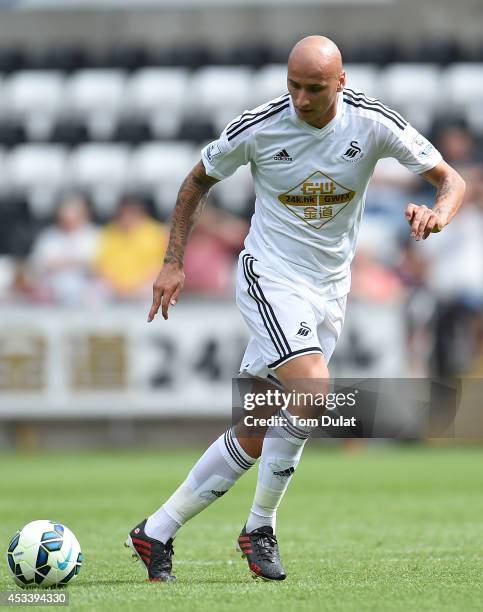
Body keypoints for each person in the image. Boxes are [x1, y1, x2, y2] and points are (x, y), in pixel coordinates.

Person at [125, 35, 465, 582]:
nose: (301, 99)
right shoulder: (259, 126)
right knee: (314, 392)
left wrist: (439, 214)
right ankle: (260, 527)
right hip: (270, 275)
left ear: (341, 82)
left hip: (329, 288)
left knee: (255, 430)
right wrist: (172, 261)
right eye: (293, 85)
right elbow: (196, 181)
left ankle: (155, 531)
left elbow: (451, 179)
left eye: (313, 88)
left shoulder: (372, 123)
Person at [29, 194, 99, 305]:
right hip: (53, 289)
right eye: (65, 216)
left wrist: (62, 263)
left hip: (85, 288)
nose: (69, 220)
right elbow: (38, 264)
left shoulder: (93, 235)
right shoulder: (48, 236)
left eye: (73, 215)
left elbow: (96, 265)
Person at [94, 196, 168, 301]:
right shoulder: (109, 231)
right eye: (124, 213)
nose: (127, 217)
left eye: (132, 213)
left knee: (155, 289)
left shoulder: (156, 232)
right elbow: (100, 264)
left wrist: (136, 284)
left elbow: (162, 264)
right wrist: (117, 284)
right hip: (114, 285)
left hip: (144, 283)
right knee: (95, 291)